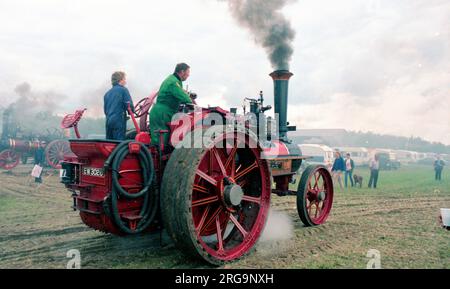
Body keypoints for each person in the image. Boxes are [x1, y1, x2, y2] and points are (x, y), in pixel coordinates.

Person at [149, 63, 193, 146]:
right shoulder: (173, 82)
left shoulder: (170, 79)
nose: (188, 75)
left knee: (156, 142)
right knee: (162, 143)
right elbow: (186, 99)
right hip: (163, 114)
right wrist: (190, 99)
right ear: (182, 71)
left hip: (158, 112)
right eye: (188, 72)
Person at [103, 71, 134, 140]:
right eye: (124, 79)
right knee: (119, 143)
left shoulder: (107, 94)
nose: (125, 81)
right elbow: (129, 106)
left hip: (108, 121)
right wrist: (133, 111)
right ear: (120, 80)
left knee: (109, 143)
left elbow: (105, 111)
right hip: (118, 120)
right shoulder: (123, 90)